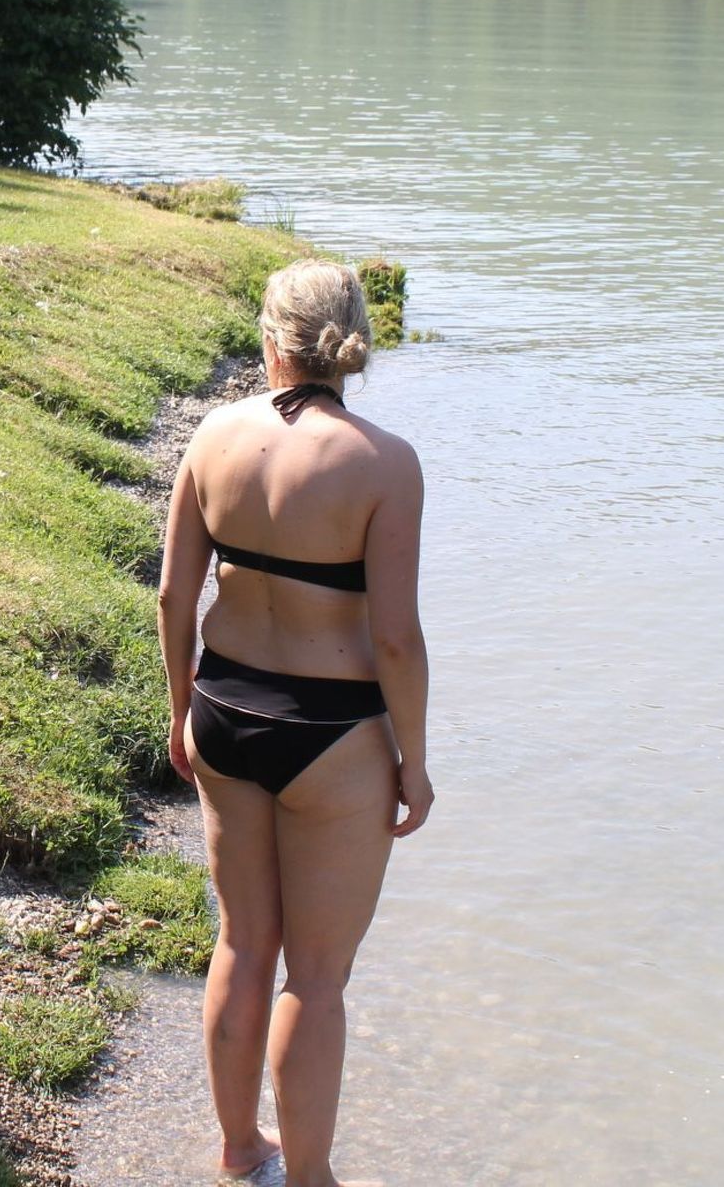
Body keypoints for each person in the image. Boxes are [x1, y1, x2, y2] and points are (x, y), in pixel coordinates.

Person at [159, 259, 433, 1187]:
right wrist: (414, 762)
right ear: (355, 342)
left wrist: (179, 712)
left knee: (241, 942)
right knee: (316, 977)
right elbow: (394, 639)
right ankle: (309, 1179)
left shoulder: (213, 436)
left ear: (270, 339)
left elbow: (175, 595)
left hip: (225, 709)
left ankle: (241, 1152)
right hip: (333, 732)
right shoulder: (384, 463)